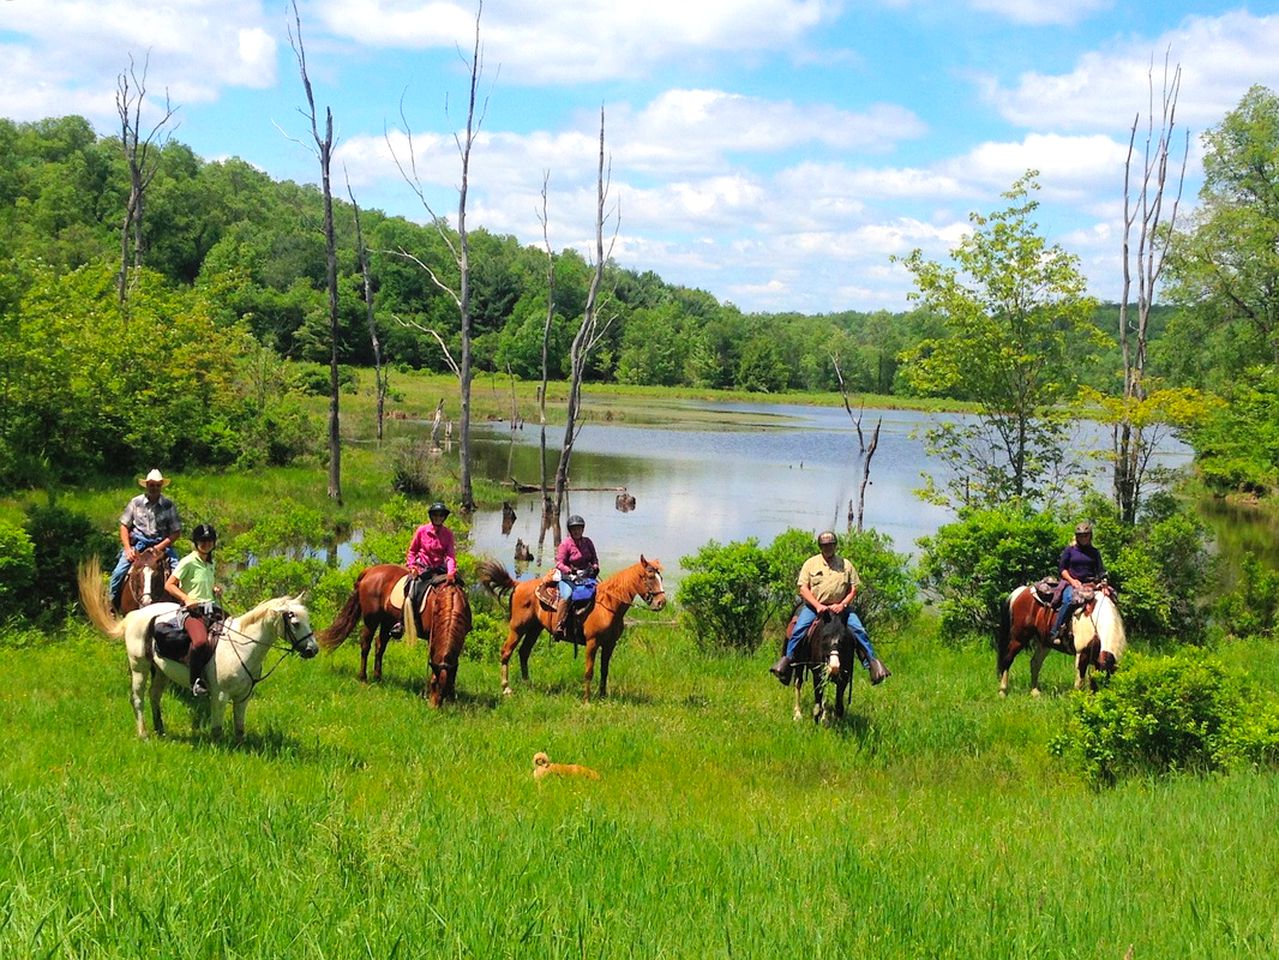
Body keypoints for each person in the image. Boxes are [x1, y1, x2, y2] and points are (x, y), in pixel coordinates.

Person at [770, 530, 889, 686]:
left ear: (835, 545)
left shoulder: (846, 564)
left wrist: (843, 604)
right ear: (820, 546)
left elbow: (854, 589)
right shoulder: (811, 563)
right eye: (825, 545)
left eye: (831, 545)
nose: (828, 548)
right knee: (798, 630)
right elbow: (803, 588)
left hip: (841, 608)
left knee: (859, 630)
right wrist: (817, 605)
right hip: (815, 608)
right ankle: (788, 661)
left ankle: (873, 665)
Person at [109, 468, 182, 610]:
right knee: (119, 572)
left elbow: (176, 532)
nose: (154, 488)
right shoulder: (136, 502)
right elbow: (124, 526)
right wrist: (128, 548)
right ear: (147, 485)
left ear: (161, 486)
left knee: (178, 572)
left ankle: (182, 605)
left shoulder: (168, 505)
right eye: (152, 485)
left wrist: (159, 547)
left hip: (161, 544)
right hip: (138, 543)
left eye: (157, 485)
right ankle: (111, 603)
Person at [164, 524, 223, 697]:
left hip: (211, 608)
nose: (206, 544)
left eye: (209, 541)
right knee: (200, 642)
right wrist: (186, 598)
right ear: (196, 542)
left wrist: (215, 589)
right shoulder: (188, 561)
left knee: (235, 631)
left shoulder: (210, 563)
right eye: (202, 541)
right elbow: (169, 585)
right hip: (191, 612)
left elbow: (204, 585)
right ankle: (196, 681)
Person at [396, 501, 457, 637]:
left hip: (439, 571)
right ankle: (401, 623)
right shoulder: (422, 531)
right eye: (435, 515)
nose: (438, 518)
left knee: (457, 590)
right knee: (411, 590)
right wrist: (412, 567)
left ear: (444, 517)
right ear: (431, 516)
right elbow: (412, 551)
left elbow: (450, 555)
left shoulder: (448, 534)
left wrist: (451, 572)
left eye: (441, 515)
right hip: (422, 570)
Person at [1051, 521, 1107, 642]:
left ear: (1090, 536)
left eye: (1085, 535)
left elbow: (1101, 570)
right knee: (1069, 600)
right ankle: (1056, 631)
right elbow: (1062, 569)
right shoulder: (1070, 550)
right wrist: (1072, 580)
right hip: (1072, 583)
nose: (1083, 538)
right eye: (1080, 535)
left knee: (1110, 599)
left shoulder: (1094, 552)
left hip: (1090, 584)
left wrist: (1104, 583)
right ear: (1077, 536)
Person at [550, 515, 599, 639]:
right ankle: (559, 625)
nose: (577, 531)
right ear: (570, 530)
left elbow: (594, 558)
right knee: (567, 596)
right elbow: (559, 563)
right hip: (568, 577)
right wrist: (569, 571)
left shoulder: (588, 542)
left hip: (586, 576)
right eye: (574, 529)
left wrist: (595, 566)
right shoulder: (565, 544)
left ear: (583, 529)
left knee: (600, 593)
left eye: (579, 528)